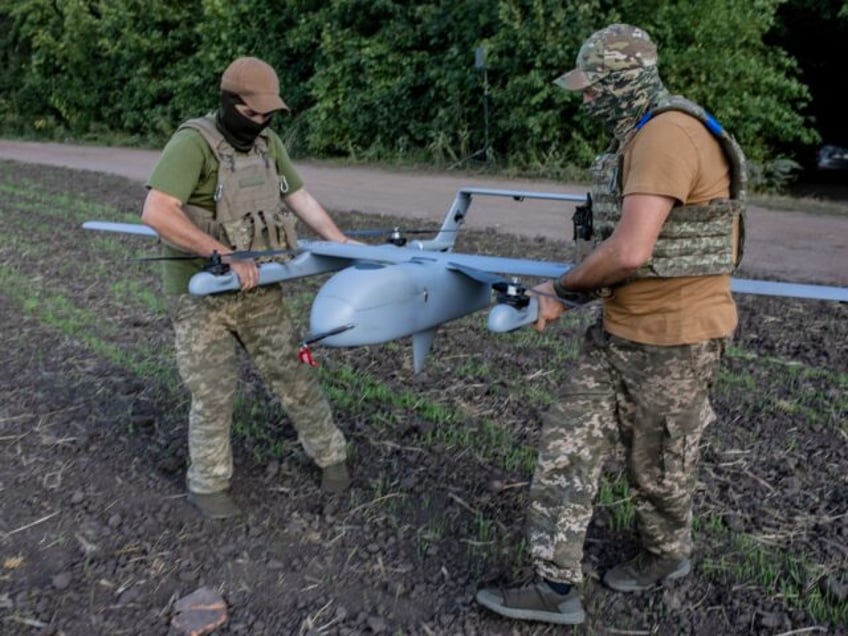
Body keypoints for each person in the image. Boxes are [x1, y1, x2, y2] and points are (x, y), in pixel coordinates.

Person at [476, 24, 746, 625]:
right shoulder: (641, 136)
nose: (588, 100)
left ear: (627, 82)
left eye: (596, 87)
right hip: (619, 328)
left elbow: (629, 251)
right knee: (565, 445)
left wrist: (561, 289)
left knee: (657, 468)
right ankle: (554, 585)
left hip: (675, 339)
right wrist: (574, 295)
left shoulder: (668, 135)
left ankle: (665, 554)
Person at [141, 56, 358, 520]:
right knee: (214, 392)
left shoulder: (267, 143)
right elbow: (157, 211)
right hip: (199, 294)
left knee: (292, 374)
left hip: (259, 286)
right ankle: (209, 486)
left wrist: (339, 240)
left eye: (267, 116)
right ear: (229, 102)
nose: (260, 123)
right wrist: (220, 251)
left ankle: (332, 457)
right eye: (252, 114)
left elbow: (296, 195)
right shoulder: (191, 144)